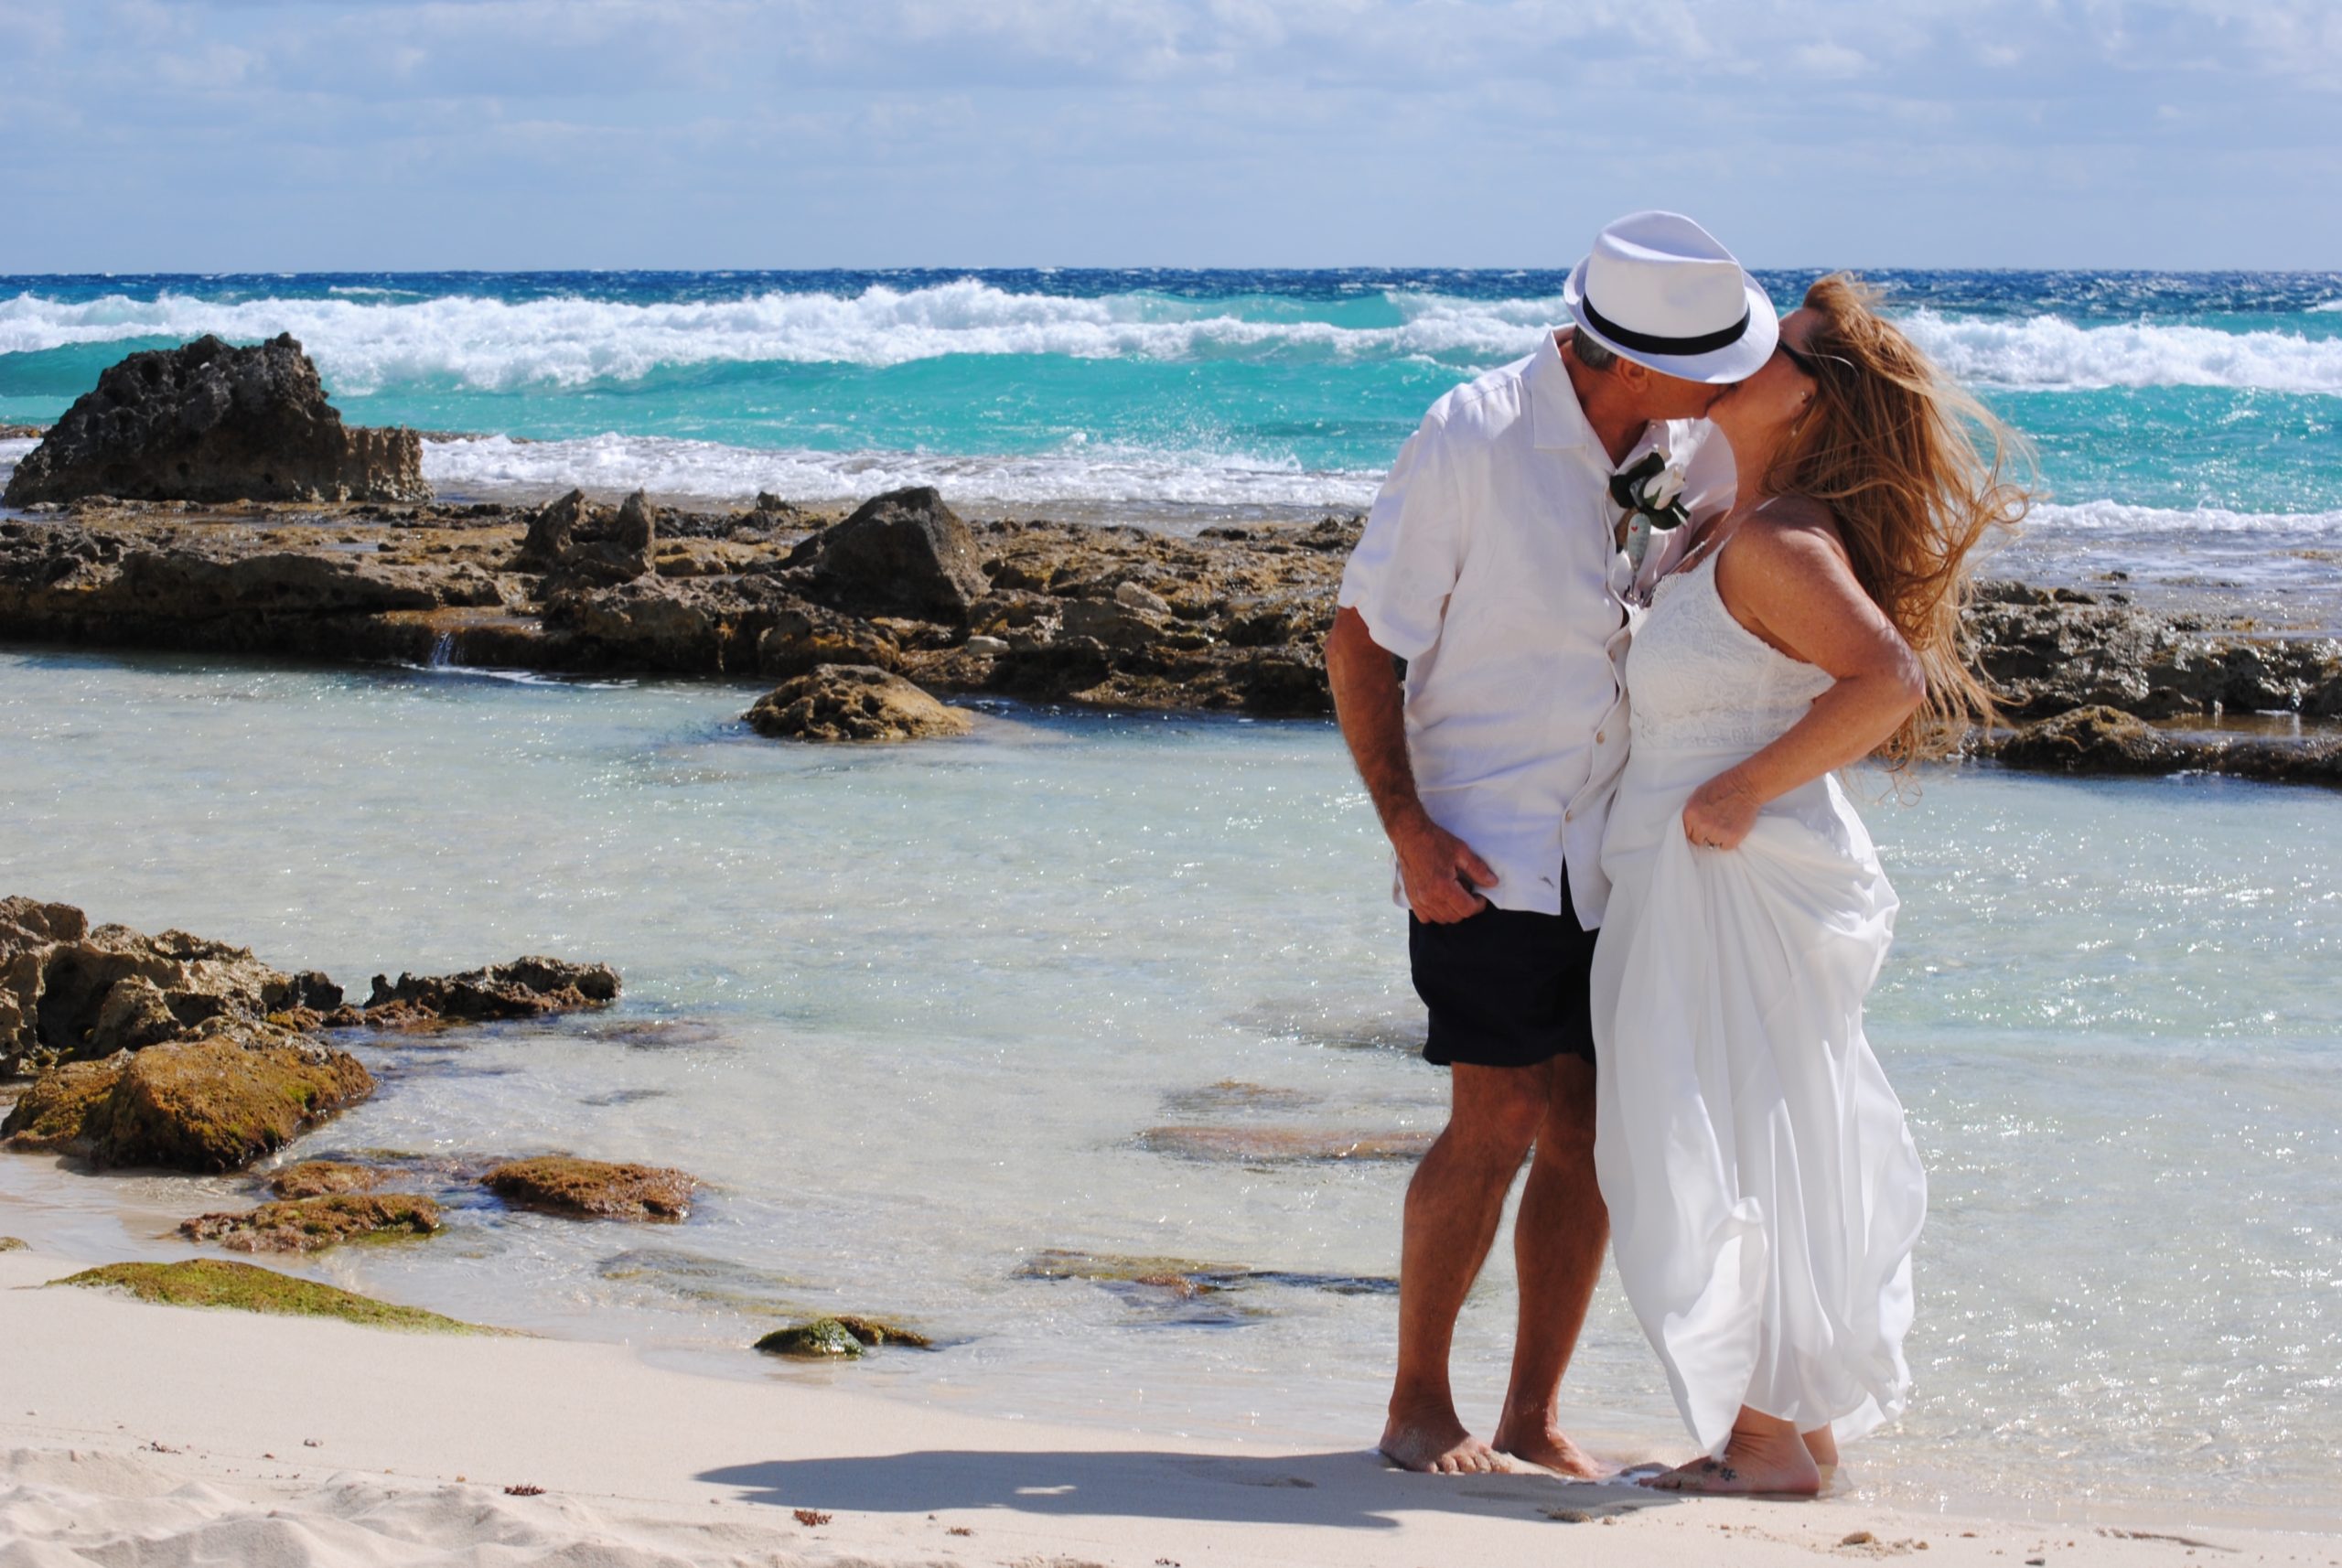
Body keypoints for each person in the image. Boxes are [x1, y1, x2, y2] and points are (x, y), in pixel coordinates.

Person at [1327, 211, 1768, 1476]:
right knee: (1499, 1110)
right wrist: (1408, 830)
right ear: (1628, 357)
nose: (1729, 382)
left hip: (1629, 842)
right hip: (1489, 840)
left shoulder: (1690, 442)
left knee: (1588, 1127)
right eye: (1710, 360)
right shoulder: (1473, 435)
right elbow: (1363, 640)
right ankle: (1419, 1403)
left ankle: (1533, 1411)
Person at [1590, 274, 2027, 1496]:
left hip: (1738, 864)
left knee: (1738, 1134)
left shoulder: (1781, 537)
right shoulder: (1735, 514)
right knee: (1748, 1123)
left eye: (1778, 347)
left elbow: (1888, 680)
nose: (1745, 353)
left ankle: (1767, 1436)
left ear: (1816, 403)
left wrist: (1738, 788)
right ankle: (1795, 1424)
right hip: (1699, 864)